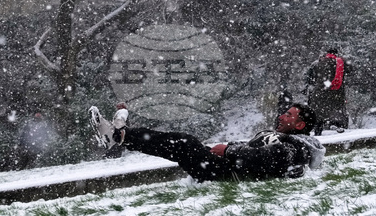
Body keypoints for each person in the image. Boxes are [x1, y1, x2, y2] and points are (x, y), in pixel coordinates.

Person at [88, 103, 324, 182]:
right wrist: (227, 147)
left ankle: (121, 136)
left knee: (183, 142)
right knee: (181, 144)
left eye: (289, 115)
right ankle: (121, 136)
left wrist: (230, 150)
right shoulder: (274, 135)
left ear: (301, 125)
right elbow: (253, 147)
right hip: (226, 164)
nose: (282, 116)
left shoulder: (298, 145)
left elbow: (271, 158)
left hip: (230, 172)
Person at [304, 46, 348, 135]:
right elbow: (351, 71)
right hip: (337, 92)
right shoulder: (341, 63)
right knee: (337, 110)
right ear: (336, 54)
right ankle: (337, 127)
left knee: (319, 112)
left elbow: (308, 78)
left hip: (320, 91)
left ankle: (318, 130)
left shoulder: (317, 63)